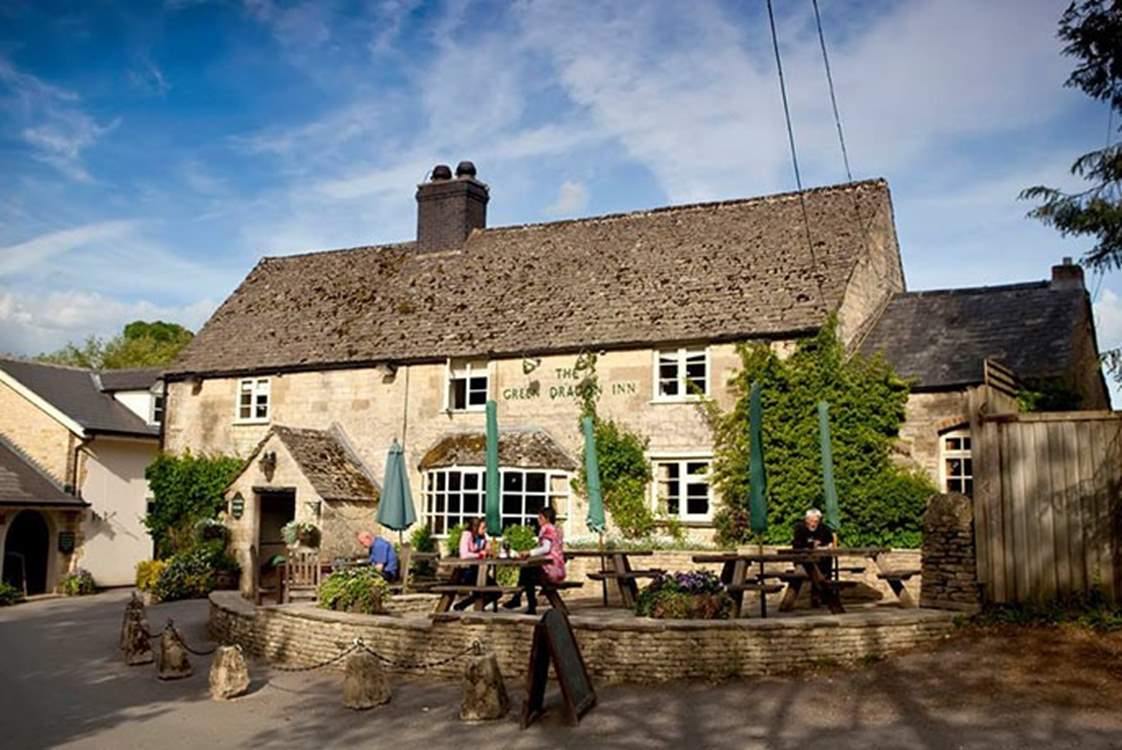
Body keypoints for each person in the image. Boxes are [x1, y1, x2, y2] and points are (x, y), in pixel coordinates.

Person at [502, 506, 565, 615]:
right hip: (559, 569)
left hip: (551, 569)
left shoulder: (547, 529)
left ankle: (524, 602)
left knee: (527, 573)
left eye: (540, 517)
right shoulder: (556, 529)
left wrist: (529, 553)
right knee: (527, 572)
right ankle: (522, 601)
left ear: (547, 518)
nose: (538, 519)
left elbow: (546, 548)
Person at [452, 517, 501, 611]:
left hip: (479, 571)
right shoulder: (467, 535)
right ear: (475, 527)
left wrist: (488, 550)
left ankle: (466, 606)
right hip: (466, 572)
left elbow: (486, 550)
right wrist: (479, 554)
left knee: (497, 592)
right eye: (483, 528)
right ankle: (476, 608)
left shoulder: (482, 538)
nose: (485, 530)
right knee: (483, 590)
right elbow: (464, 554)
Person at [791, 508, 836, 606]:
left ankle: (819, 598)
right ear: (806, 520)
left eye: (816, 521)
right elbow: (797, 544)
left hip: (822, 561)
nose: (813, 524)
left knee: (824, 568)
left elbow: (830, 543)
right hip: (803, 561)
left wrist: (823, 547)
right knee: (813, 569)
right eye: (811, 521)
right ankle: (824, 598)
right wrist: (812, 545)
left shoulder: (824, 528)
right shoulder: (800, 528)